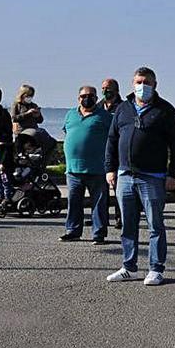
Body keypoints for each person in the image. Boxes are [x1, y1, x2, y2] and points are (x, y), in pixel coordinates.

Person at [105, 67, 175, 286]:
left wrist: (173, 174)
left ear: (155, 85)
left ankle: (156, 268)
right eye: (139, 82)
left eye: (147, 82)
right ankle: (128, 266)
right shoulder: (123, 108)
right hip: (125, 176)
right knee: (127, 225)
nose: (142, 86)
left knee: (155, 225)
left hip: (152, 177)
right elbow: (112, 140)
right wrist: (110, 169)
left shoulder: (165, 110)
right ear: (133, 84)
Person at [61, 85, 113, 245]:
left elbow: (114, 138)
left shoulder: (105, 116)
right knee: (74, 202)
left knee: (98, 202)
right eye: (83, 96)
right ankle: (73, 231)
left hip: (97, 168)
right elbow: (66, 132)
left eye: (90, 95)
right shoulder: (70, 114)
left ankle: (99, 234)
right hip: (73, 169)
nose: (87, 98)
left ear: (97, 98)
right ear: (78, 98)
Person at [99, 78, 124, 230]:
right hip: (100, 151)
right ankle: (102, 218)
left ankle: (120, 217)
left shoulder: (122, 107)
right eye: (103, 88)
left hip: (117, 151)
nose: (105, 91)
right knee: (101, 189)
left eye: (108, 88)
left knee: (118, 188)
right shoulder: (99, 106)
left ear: (115, 90)